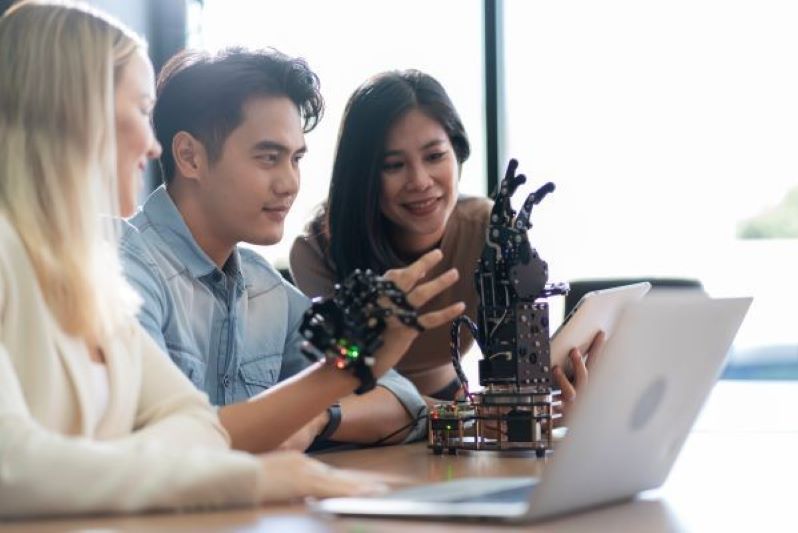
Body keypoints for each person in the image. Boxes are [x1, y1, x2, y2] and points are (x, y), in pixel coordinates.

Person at [0, 1, 459, 517]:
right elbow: (14, 467)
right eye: (138, 111)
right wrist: (249, 474)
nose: (151, 147)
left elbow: (195, 426)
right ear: (70, 114)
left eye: (295, 158)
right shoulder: (87, 259)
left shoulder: (88, 271)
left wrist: (349, 367)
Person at [119, 48, 461, 453]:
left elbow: (401, 400)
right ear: (190, 157)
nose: (289, 183)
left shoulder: (263, 288)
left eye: (296, 159)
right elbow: (164, 441)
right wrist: (345, 369)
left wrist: (320, 416)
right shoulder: (122, 267)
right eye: (268, 158)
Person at [290, 70, 600, 407]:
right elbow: (337, 377)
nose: (420, 181)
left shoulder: (490, 231)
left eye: (435, 156)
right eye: (394, 165)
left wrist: (555, 388)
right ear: (362, 175)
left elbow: (515, 361)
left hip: (453, 402)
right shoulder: (317, 249)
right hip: (359, 409)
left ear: (458, 152)